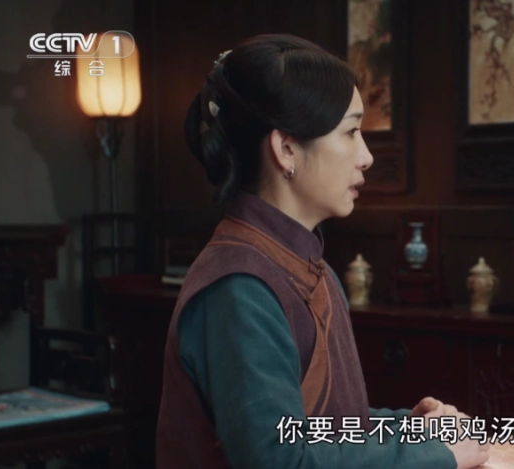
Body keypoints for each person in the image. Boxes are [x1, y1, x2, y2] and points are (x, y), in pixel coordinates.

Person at [156, 34, 491, 469]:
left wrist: (412, 428)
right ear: (286, 149)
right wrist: (431, 455)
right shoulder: (239, 286)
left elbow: (322, 427)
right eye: (351, 132)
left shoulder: (309, 268)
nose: (366, 157)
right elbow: (279, 459)